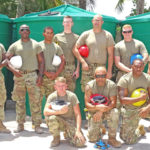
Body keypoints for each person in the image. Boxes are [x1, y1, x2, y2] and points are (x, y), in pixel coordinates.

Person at [6, 24, 45, 134]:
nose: (25, 31)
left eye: (27, 29)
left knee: (35, 101)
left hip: (33, 75)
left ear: (29, 31)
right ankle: (20, 124)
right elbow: (6, 60)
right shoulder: (14, 46)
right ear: (19, 32)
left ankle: (37, 125)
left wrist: (40, 76)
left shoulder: (36, 45)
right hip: (19, 76)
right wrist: (14, 70)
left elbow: (42, 61)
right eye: (22, 29)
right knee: (19, 101)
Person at [73, 14, 114, 92]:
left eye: (98, 20)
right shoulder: (86, 34)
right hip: (87, 67)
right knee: (87, 90)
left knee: (100, 91)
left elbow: (111, 55)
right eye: (95, 20)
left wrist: (109, 71)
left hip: (101, 68)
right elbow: (74, 49)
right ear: (92, 21)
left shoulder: (108, 35)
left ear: (102, 22)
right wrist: (83, 62)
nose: (96, 22)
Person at [84, 66, 121, 148]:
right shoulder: (89, 86)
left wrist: (101, 111)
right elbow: (87, 104)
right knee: (92, 139)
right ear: (94, 76)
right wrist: (97, 108)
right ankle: (99, 129)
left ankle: (112, 138)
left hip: (107, 110)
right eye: (98, 76)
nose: (100, 78)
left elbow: (113, 103)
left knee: (115, 112)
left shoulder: (111, 85)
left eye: (103, 76)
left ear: (106, 76)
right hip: (94, 111)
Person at [44, 77, 86, 148]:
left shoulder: (72, 96)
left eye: (63, 85)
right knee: (51, 118)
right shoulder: (52, 96)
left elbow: (77, 114)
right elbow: (45, 111)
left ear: (66, 86)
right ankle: (56, 137)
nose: (61, 88)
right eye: (59, 86)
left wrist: (78, 130)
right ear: (55, 87)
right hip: (58, 121)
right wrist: (59, 112)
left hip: (70, 122)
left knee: (80, 143)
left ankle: (68, 134)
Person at [117, 59, 150, 144]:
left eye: (141, 66)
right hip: (130, 109)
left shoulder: (147, 78)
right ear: (131, 67)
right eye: (136, 66)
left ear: (143, 67)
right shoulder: (124, 79)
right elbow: (122, 100)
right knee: (128, 141)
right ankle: (139, 130)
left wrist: (147, 108)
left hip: (144, 106)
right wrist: (139, 98)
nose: (138, 69)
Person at [53, 16, 79, 92]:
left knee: (70, 91)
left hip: (71, 68)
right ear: (63, 23)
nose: (67, 23)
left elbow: (78, 55)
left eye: (69, 22)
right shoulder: (57, 37)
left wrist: (77, 69)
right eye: (66, 22)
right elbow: (53, 53)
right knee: (59, 90)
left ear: (72, 23)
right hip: (59, 67)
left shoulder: (77, 37)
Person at [39, 26, 65, 99]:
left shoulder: (57, 47)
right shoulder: (38, 46)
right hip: (41, 76)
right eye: (47, 33)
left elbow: (63, 60)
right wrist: (45, 72)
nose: (49, 35)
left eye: (51, 33)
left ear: (53, 34)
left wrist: (56, 74)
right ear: (44, 34)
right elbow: (35, 61)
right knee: (37, 101)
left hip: (53, 77)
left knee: (53, 100)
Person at [0, 43, 10, 133]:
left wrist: (5, 61)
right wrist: (2, 64)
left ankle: (0, 124)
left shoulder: (1, 46)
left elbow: (5, 58)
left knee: (1, 99)